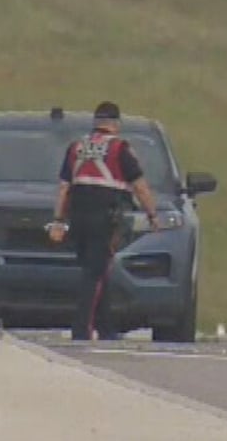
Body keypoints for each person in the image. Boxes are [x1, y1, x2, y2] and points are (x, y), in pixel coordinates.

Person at [48, 101, 159, 341]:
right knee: (95, 273)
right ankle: (82, 329)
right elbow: (140, 186)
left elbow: (63, 187)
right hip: (104, 217)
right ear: (116, 124)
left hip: (77, 215)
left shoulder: (76, 147)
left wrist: (58, 220)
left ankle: (106, 328)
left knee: (97, 271)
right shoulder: (120, 149)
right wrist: (152, 214)